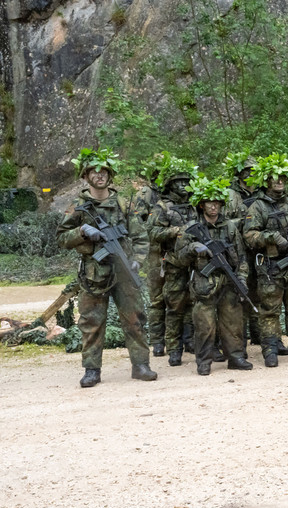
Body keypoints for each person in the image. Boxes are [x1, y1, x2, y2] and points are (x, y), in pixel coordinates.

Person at [56, 148, 157, 387]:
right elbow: (61, 238)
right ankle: (92, 370)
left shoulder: (123, 203)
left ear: (110, 176)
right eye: (94, 171)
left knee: (135, 320)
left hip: (124, 272)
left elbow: (141, 236)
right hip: (93, 274)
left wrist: (138, 260)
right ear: (85, 176)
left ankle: (141, 365)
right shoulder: (78, 205)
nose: (99, 176)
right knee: (91, 323)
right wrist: (81, 231)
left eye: (104, 172)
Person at [241, 154, 288, 368]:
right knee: (269, 310)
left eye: (283, 178)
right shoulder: (258, 207)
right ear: (267, 181)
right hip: (271, 268)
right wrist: (271, 237)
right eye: (276, 178)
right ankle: (270, 348)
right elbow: (249, 235)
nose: (280, 182)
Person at [175, 176, 253, 375]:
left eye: (217, 203)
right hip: (204, 283)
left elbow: (242, 257)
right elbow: (180, 258)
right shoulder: (191, 229)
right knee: (205, 325)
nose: (213, 207)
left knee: (233, 321)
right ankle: (204, 361)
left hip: (229, 281)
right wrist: (194, 248)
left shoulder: (230, 227)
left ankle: (235, 357)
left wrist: (242, 278)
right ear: (202, 205)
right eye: (209, 203)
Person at [148, 158, 198, 367]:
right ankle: (173, 348)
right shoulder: (163, 207)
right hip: (174, 263)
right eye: (177, 182)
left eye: (185, 181)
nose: (182, 186)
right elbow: (152, 232)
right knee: (173, 306)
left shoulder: (196, 204)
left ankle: (190, 340)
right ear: (170, 185)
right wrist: (177, 231)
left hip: (195, 263)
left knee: (193, 303)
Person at [224, 152, 267, 350]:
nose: (250, 175)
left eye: (254, 171)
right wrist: (243, 222)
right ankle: (239, 340)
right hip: (237, 249)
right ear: (239, 173)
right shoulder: (229, 195)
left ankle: (261, 336)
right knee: (240, 291)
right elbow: (221, 222)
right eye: (246, 171)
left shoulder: (263, 193)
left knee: (261, 291)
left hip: (259, 249)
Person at [132, 153, 166, 356]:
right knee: (157, 299)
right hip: (154, 252)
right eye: (158, 172)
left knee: (182, 297)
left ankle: (181, 339)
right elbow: (138, 224)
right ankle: (158, 340)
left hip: (176, 251)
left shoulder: (174, 194)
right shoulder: (145, 194)